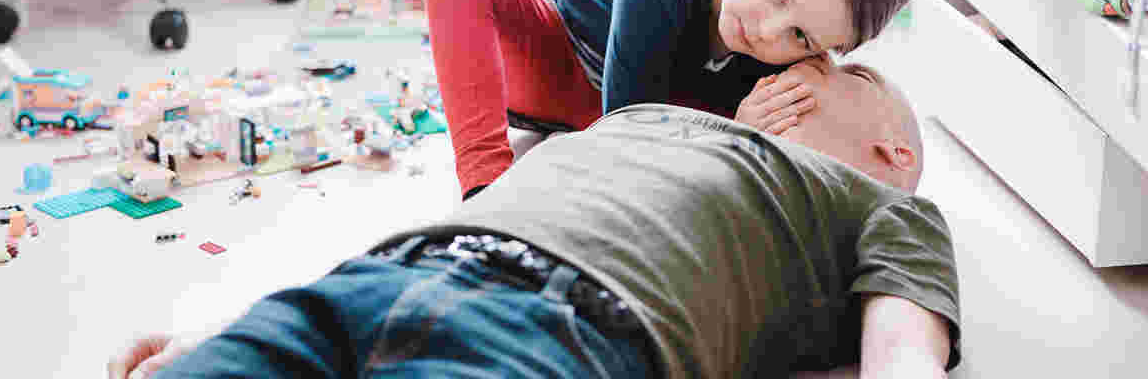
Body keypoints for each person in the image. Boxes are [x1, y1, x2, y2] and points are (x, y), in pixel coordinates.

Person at [106, 56, 961, 379]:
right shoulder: (637, 120)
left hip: (569, 320)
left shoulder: (879, 201)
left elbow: (904, 343)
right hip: (380, 281)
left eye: (823, 75)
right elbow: (512, 204)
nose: (782, 73)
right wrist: (228, 323)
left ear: (893, 149)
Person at [423, 0, 919, 200]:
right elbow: (626, 147)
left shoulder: (786, 48)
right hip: (556, 56)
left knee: (805, 114)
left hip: (649, 100)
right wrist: (724, 133)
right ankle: (484, 188)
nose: (769, 31)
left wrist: (744, 130)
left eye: (801, 36)